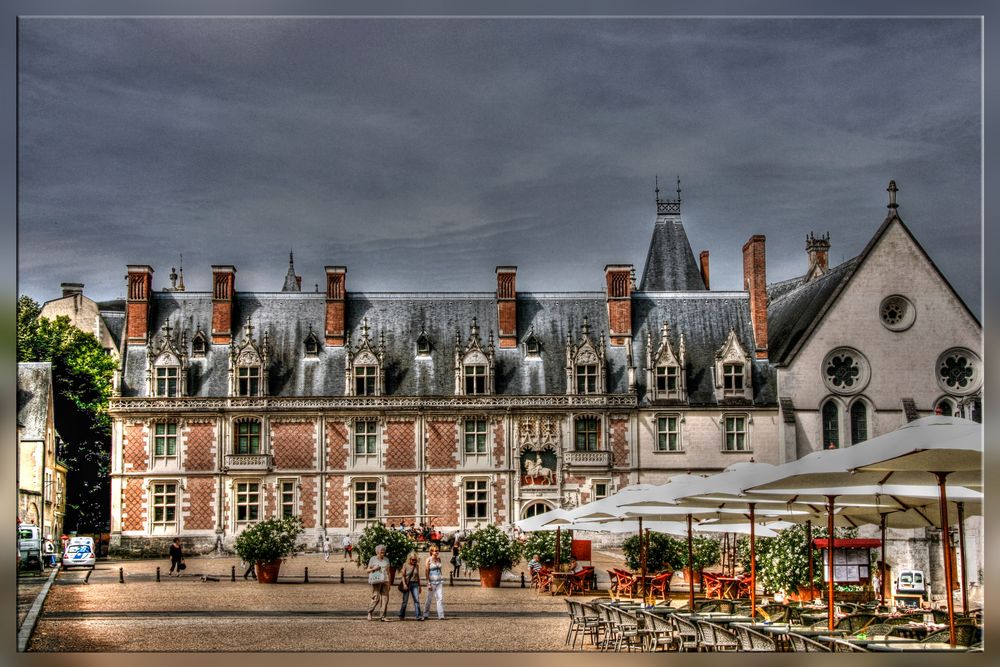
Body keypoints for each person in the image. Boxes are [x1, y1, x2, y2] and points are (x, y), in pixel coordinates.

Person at [367, 544, 391, 621]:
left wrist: (389, 583)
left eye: (384, 550)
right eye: (381, 551)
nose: (383, 552)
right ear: (377, 552)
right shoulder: (373, 559)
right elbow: (367, 570)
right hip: (376, 580)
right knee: (376, 597)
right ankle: (370, 612)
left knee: (385, 598)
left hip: (385, 580)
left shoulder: (386, 559)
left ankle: (383, 616)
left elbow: (388, 572)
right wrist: (374, 568)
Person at [398, 552, 425, 621]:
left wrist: (420, 586)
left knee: (416, 600)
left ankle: (418, 616)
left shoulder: (416, 566)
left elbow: (417, 576)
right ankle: (401, 615)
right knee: (405, 601)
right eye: (413, 560)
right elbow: (403, 576)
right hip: (407, 584)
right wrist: (404, 584)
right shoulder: (405, 565)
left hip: (415, 584)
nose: (414, 561)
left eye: (415, 560)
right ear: (409, 559)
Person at [423, 546, 446, 620]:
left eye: (437, 550)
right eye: (435, 551)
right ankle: (425, 614)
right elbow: (426, 572)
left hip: (439, 581)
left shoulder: (439, 559)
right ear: (431, 551)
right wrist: (428, 583)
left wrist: (441, 576)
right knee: (429, 598)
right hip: (432, 581)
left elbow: (440, 569)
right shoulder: (428, 559)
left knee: (440, 598)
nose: (437, 552)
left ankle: (441, 615)